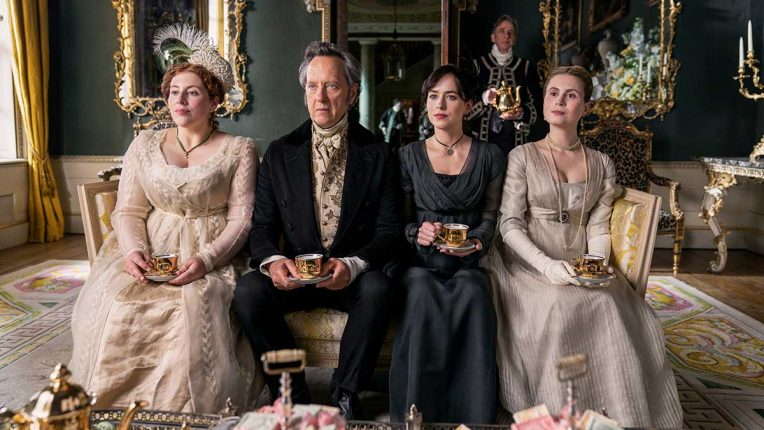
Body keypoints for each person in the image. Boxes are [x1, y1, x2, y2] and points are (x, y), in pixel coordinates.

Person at [69, 25, 262, 413]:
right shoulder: (144, 144)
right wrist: (134, 253)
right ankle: (115, 407)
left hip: (212, 251)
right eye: (174, 92)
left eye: (192, 92)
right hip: (152, 245)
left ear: (214, 100)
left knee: (191, 305)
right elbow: (129, 210)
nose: (180, 100)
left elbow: (242, 218)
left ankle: (181, 411)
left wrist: (206, 260)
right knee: (118, 300)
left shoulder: (239, 149)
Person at [484, 66, 682, 427]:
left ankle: (613, 413)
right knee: (558, 305)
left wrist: (594, 263)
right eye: (553, 93)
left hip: (579, 259)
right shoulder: (522, 156)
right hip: (527, 261)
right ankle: (559, 414)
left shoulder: (601, 163)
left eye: (571, 95)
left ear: (585, 108)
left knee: (608, 304)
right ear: (544, 102)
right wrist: (547, 266)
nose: (559, 100)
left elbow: (598, 225)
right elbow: (509, 224)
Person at [233, 41, 400, 420]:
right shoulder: (279, 152)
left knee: (379, 288)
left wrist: (353, 265)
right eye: (312, 86)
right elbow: (262, 228)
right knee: (249, 290)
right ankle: (291, 392)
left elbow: (390, 231)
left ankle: (345, 393)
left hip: (350, 277)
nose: (320, 97)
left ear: (352, 93)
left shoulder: (380, 153)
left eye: (332, 86)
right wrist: (274, 262)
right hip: (297, 275)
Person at [389, 65, 505, 424]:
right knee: (421, 292)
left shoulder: (490, 155)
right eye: (433, 96)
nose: (439, 105)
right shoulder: (407, 155)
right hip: (420, 264)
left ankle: (471, 418)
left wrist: (477, 242)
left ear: (468, 106)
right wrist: (417, 233)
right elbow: (398, 221)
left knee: (474, 291)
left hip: (468, 263)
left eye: (450, 97)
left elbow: (490, 215)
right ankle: (416, 417)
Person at [466, 15, 539, 155]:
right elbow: (465, 109)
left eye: (511, 32)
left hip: (516, 142)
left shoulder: (525, 67)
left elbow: (536, 104)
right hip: (483, 142)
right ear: (493, 37)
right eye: (502, 31)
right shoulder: (477, 65)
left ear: (515, 39)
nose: (507, 35)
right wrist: (485, 98)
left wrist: (521, 113)